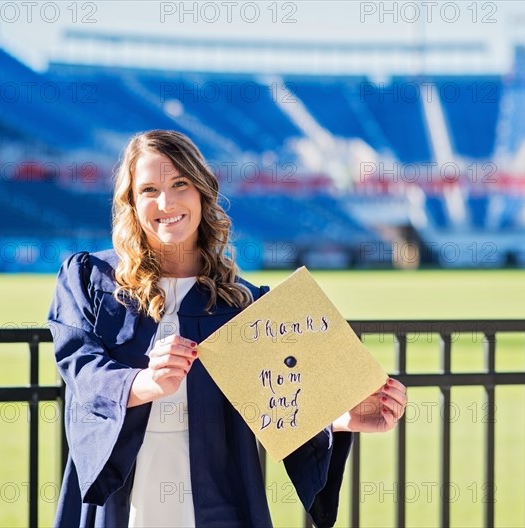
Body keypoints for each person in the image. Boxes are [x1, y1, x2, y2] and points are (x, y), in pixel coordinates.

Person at [48, 130, 407, 528]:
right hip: (120, 495)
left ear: (202, 191)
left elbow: (280, 399)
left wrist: (343, 417)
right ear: (132, 202)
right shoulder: (90, 279)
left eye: (179, 184)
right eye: (149, 189)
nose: (165, 202)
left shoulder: (244, 304)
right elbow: (80, 369)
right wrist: (144, 383)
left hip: (217, 496)